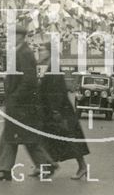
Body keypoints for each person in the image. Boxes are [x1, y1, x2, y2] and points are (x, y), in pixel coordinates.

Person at [0, 25, 55, 181]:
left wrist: (15, 97)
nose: (10, 38)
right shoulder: (21, 51)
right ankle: (7, 169)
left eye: (12, 35)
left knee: (20, 137)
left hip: (22, 105)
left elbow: (29, 80)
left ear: (20, 36)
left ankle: (6, 169)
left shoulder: (24, 52)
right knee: (20, 136)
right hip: (21, 104)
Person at [38, 43, 90, 180]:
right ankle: (46, 167)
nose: (39, 52)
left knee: (69, 140)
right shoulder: (50, 65)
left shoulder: (54, 66)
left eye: (41, 50)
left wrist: (55, 111)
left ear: (49, 52)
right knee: (50, 139)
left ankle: (82, 166)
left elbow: (56, 91)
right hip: (54, 110)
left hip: (59, 110)